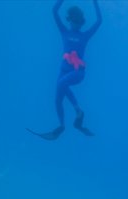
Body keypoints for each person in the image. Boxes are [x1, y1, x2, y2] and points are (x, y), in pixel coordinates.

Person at [28, 0, 102, 140]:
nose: (75, 23)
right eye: (73, 20)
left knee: (61, 83)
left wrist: (95, 2)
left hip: (78, 72)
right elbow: (54, 11)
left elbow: (99, 20)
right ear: (69, 20)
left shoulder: (84, 36)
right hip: (63, 71)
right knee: (57, 99)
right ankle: (61, 126)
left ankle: (77, 111)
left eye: (78, 21)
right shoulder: (64, 31)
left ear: (81, 22)